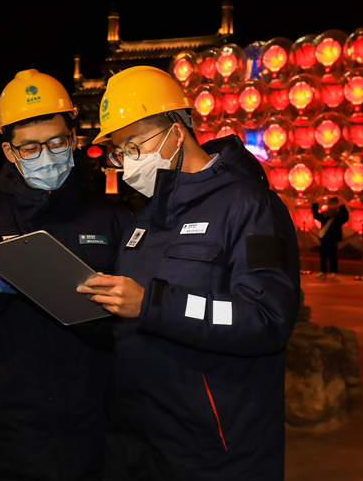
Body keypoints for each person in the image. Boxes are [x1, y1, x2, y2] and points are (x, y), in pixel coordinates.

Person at [77, 66, 300, 481]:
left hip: (212, 447)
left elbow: (265, 319)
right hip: (136, 438)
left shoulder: (251, 208)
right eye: (119, 152)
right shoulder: (143, 222)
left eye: (135, 145)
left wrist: (152, 303)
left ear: (177, 134)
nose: (128, 162)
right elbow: (127, 321)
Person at [0, 69, 131, 481]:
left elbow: (137, 327)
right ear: (9, 151)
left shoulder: (111, 218)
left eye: (57, 142)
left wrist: (96, 312)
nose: (47, 156)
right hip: (4, 442)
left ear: (74, 139)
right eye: (31, 147)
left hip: (96, 438)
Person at [311, 196, 349, 280]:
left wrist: (342, 206)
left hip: (333, 239)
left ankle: (333, 272)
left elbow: (346, 217)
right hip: (324, 238)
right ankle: (322, 272)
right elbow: (316, 216)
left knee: (333, 256)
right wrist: (314, 204)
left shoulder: (338, 215)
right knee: (323, 256)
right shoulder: (325, 214)